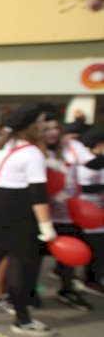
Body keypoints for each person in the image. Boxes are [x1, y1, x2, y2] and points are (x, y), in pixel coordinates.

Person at [0, 104, 57, 337]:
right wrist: (46, 226)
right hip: (19, 209)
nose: (44, 126)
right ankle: (22, 318)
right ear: (31, 126)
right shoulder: (31, 152)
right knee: (20, 260)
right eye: (41, 122)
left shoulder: (2, 147)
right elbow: (37, 193)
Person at [40, 106, 104, 311]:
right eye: (47, 128)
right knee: (33, 256)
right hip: (42, 210)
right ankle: (26, 294)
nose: (52, 133)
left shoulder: (71, 145)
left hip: (69, 211)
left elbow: (92, 163)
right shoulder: (33, 149)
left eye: (55, 128)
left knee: (70, 255)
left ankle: (68, 290)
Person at [76, 127, 104, 298]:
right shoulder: (94, 162)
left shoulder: (80, 158)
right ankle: (91, 280)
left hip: (81, 210)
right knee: (97, 249)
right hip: (92, 212)